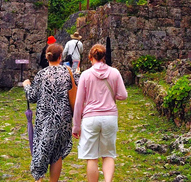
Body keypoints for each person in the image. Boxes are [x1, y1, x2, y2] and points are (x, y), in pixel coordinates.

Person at [72, 44, 128, 182]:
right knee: (108, 154)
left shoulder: (85, 75)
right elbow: (123, 95)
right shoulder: (114, 73)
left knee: (91, 157)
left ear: (90, 57)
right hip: (110, 117)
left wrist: (76, 126)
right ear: (104, 57)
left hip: (90, 118)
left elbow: (79, 102)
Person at [23, 43, 74, 182]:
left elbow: (32, 97)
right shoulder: (68, 73)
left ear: (47, 57)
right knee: (57, 154)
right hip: (64, 119)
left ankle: (38, 180)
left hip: (45, 120)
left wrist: (27, 86)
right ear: (60, 57)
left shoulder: (42, 74)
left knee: (41, 150)